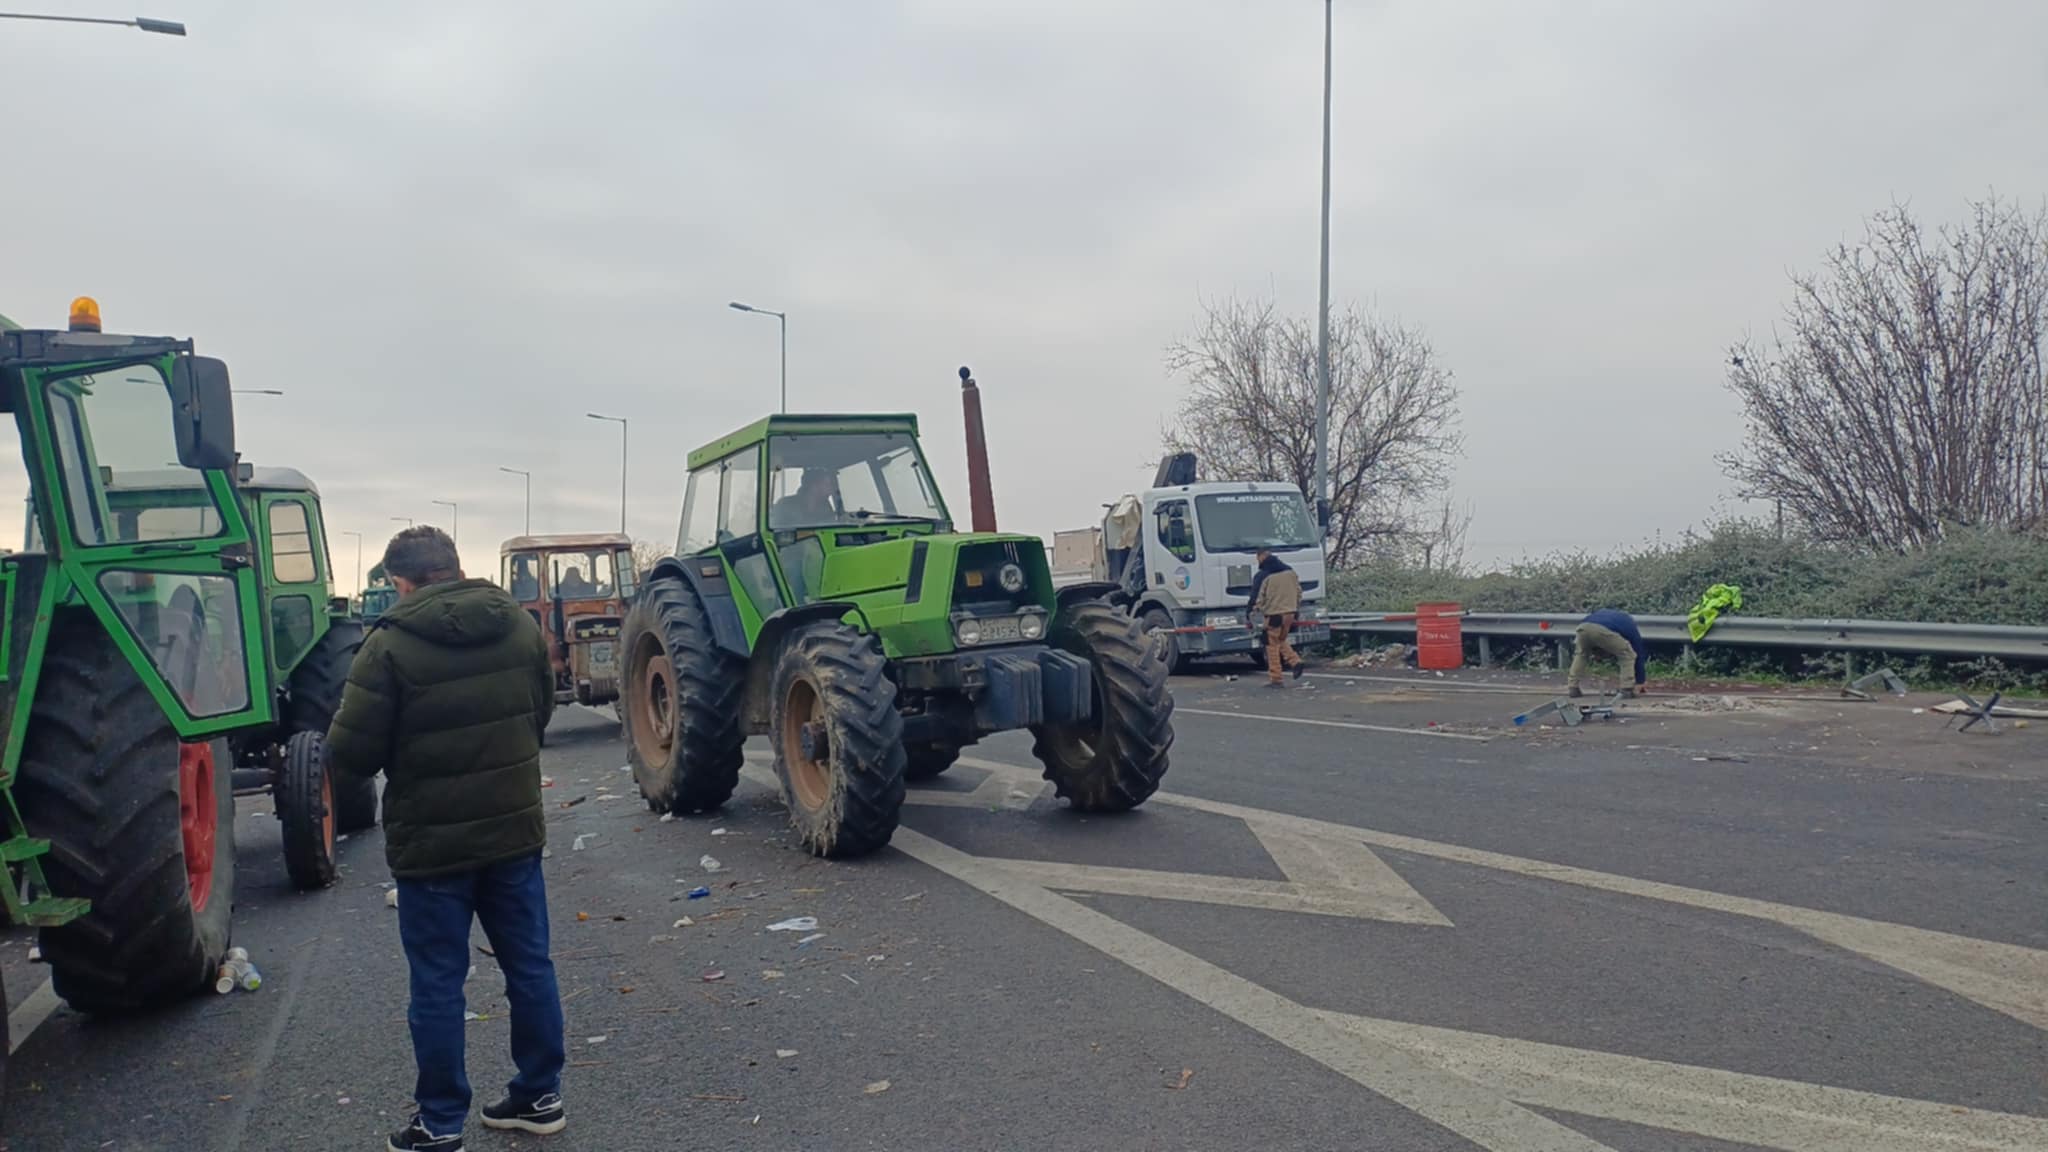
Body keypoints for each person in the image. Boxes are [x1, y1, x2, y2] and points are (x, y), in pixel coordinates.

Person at [327, 526, 566, 1152]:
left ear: (399, 583)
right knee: (530, 966)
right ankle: (539, 1095)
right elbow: (540, 712)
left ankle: (439, 1122)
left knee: (438, 980)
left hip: (431, 848)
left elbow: (349, 756)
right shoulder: (518, 626)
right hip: (514, 831)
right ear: (456, 568)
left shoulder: (387, 648)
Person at [1248, 547, 1306, 687]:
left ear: (1261, 557)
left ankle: (1276, 679)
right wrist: (1295, 609)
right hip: (1290, 613)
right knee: (1280, 639)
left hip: (1274, 614)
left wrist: (1252, 612)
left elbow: (1258, 597)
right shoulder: (1290, 572)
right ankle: (1295, 661)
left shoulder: (1264, 575)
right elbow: (1299, 592)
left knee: (1271, 645)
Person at [1569, 607, 1648, 698]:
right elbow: (1638, 653)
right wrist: (1641, 681)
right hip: (1602, 629)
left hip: (1583, 627)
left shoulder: (1604, 613)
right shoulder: (1630, 625)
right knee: (1627, 655)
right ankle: (1627, 688)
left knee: (1581, 655)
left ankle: (1573, 687)